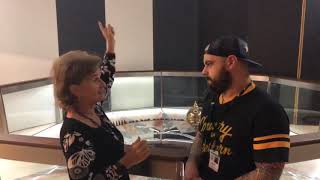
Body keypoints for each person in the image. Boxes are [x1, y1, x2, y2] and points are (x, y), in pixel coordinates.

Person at [51, 22, 150, 180]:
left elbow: (107, 74)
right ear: (75, 89)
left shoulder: (93, 108)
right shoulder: (73, 133)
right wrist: (127, 162)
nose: (102, 83)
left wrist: (110, 45)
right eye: (95, 79)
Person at [185, 36, 290, 180]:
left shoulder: (268, 110)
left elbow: (268, 174)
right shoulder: (211, 96)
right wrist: (191, 164)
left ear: (231, 62)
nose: (204, 71)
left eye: (209, 64)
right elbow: (201, 135)